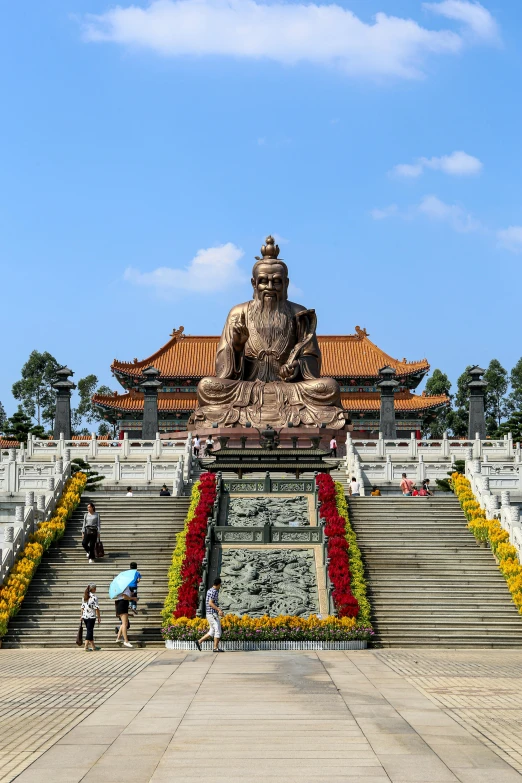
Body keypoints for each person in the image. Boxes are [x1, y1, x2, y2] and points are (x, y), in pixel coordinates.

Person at [195, 577, 224, 653]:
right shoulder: (214, 591)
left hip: (209, 613)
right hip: (212, 614)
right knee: (218, 630)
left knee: (212, 631)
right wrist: (219, 610)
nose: (220, 586)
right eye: (220, 585)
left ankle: (199, 641)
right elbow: (210, 603)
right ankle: (215, 648)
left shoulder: (209, 590)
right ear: (218, 584)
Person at [81, 583, 101, 651]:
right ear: (93, 589)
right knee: (89, 631)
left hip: (85, 616)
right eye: (95, 588)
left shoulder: (84, 597)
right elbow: (97, 608)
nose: (96, 589)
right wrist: (99, 617)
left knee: (89, 631)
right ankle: (86, 646)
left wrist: (81, 615)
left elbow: (82, 607)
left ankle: (93, 646)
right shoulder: (94, 597)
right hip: (91, 617)